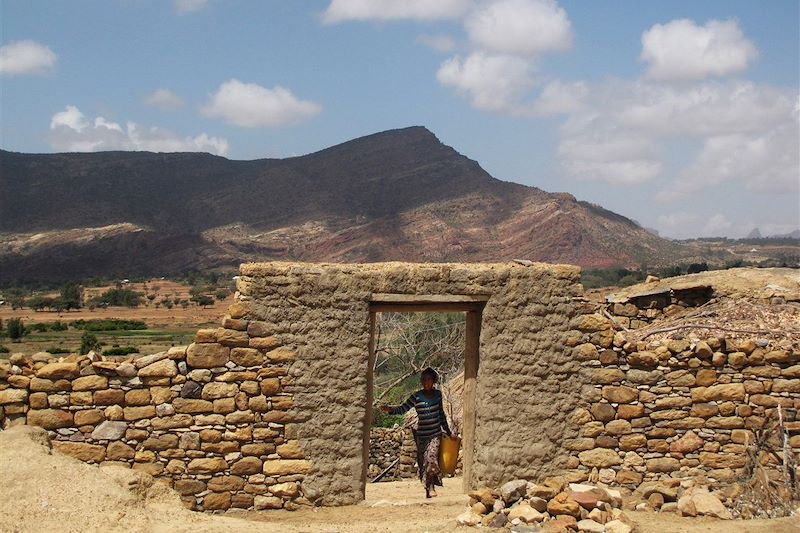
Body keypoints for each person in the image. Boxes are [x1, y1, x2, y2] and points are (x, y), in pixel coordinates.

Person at [381, 367, 452, 498]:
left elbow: (441, 414)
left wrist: (448, 431)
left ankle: (431, 487)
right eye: (424, 380)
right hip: (421, 436)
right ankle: (427, 487)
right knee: (423, 462)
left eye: (429, 379)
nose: (426, 382)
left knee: (431, 459)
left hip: (435, 434)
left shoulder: (438, 395)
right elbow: (403, 408)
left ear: (434, 381)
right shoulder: (417, 396)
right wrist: (390, 410)